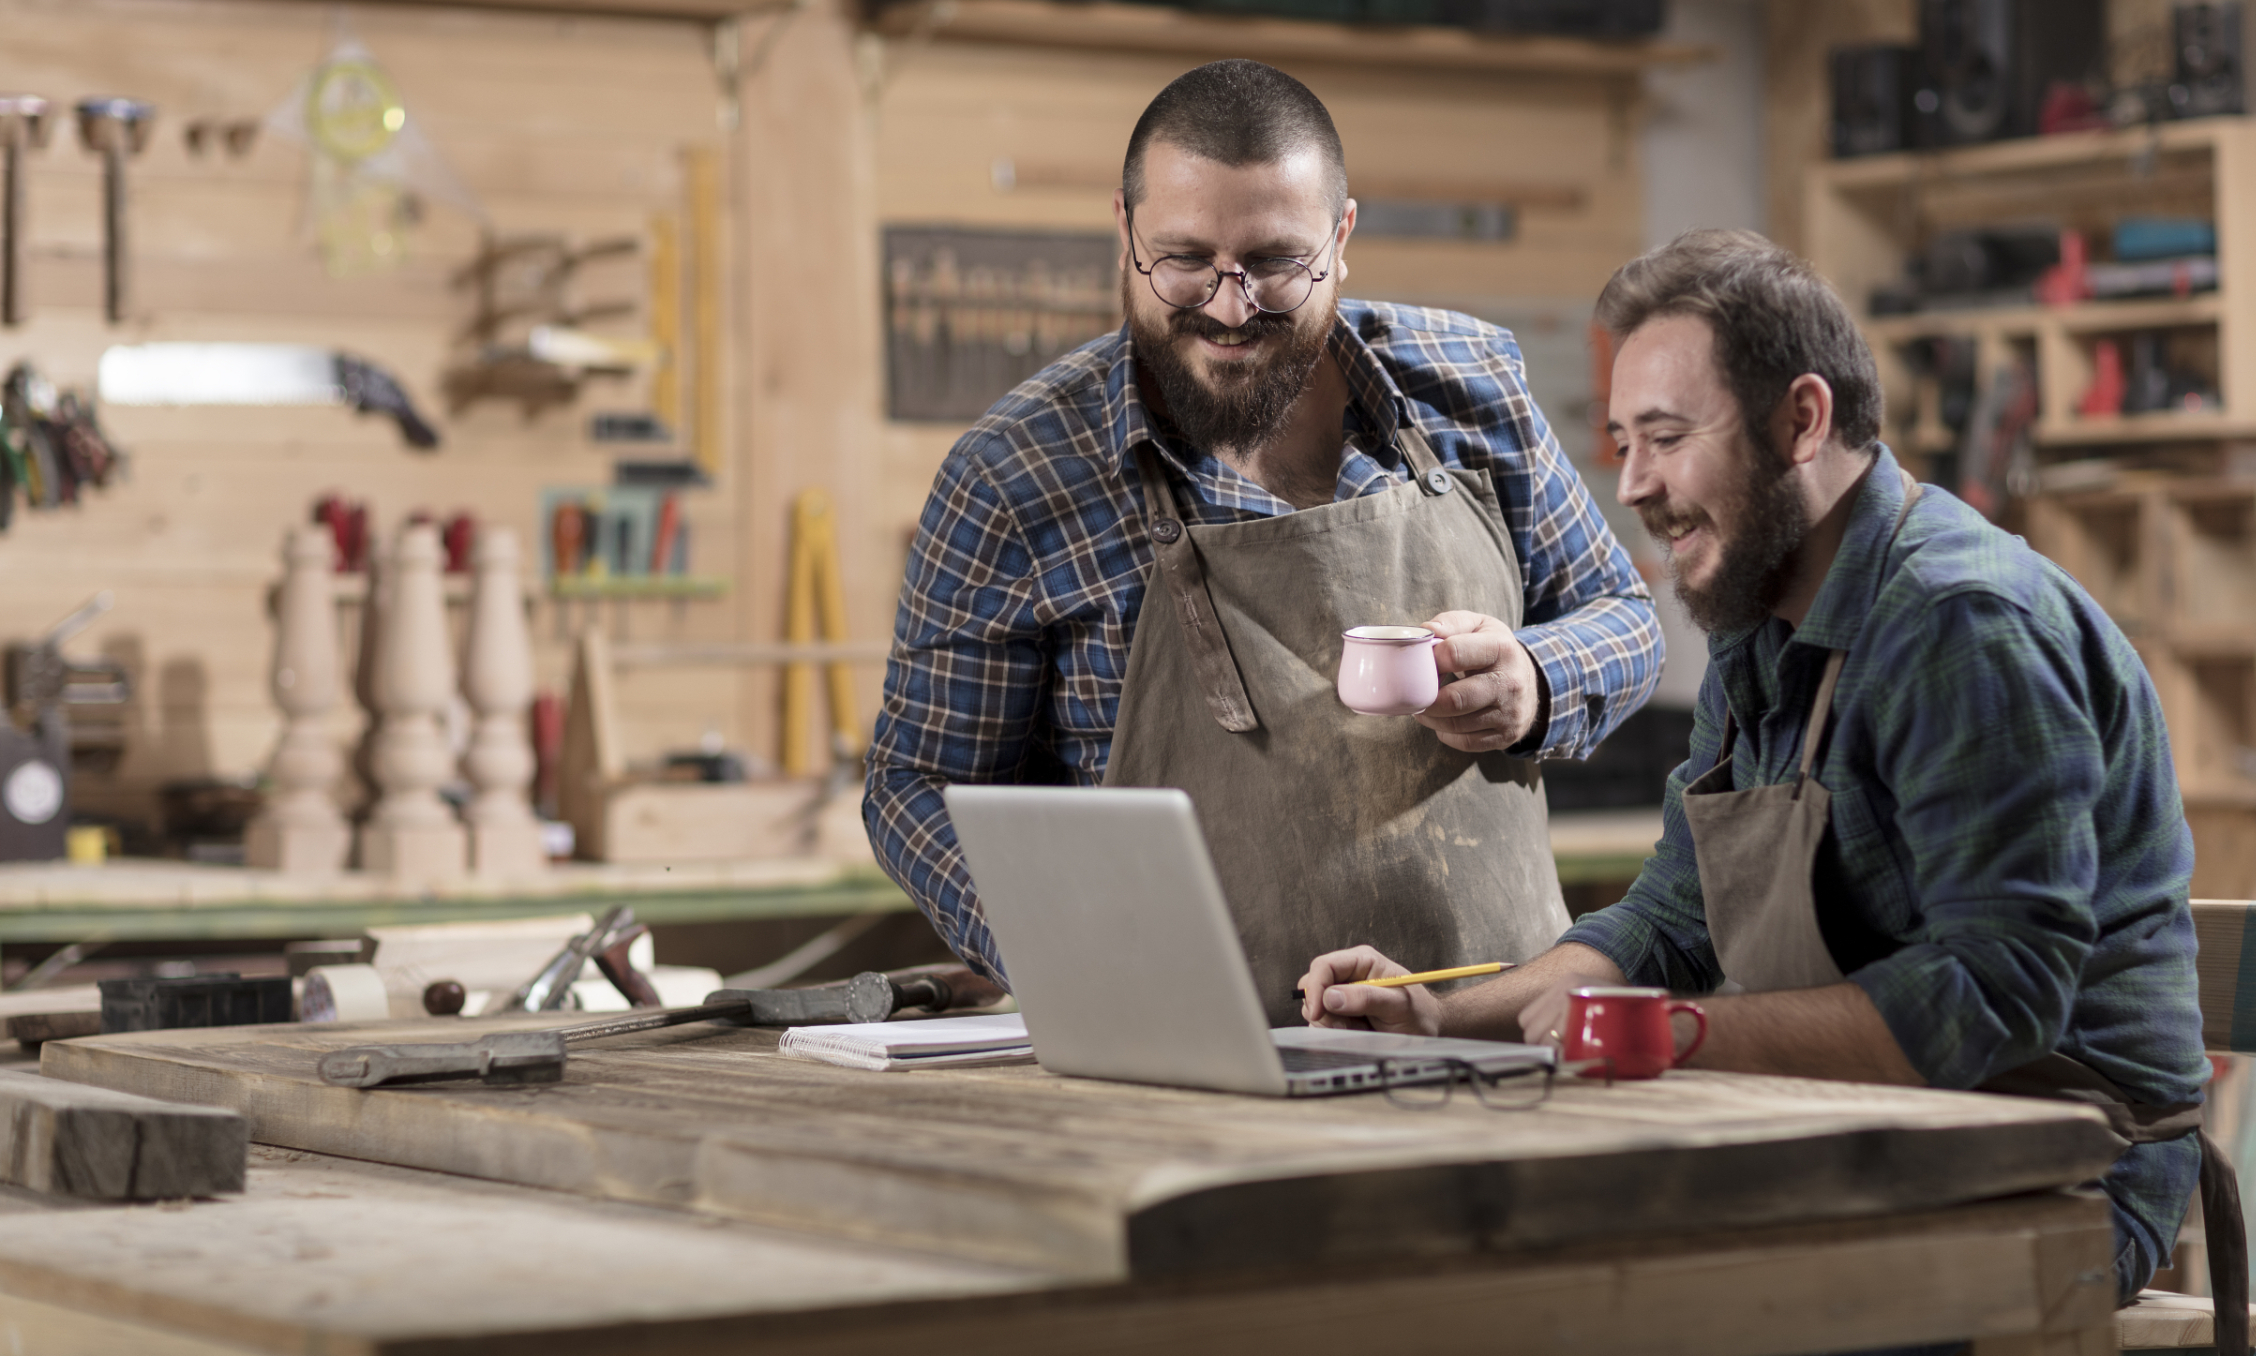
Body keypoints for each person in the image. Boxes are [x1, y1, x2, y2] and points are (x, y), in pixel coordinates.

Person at [1297, 229, 2231, 1317]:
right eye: (1622, 442)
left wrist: (1677, 1036)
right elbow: (1670, 925)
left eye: (1667, 437)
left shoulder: (1963, 626)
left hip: (2064, 1176)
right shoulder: (1763, 621)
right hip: (1876, 1139)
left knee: (1634, 1306)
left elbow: (1995, 994)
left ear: (1803, 420)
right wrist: (1436, 1021)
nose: (1633, 484)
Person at [865, 60, 1661, 1022]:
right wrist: (1062, 944)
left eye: (1276, 262)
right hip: (1184, 1053)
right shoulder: (1015, 476)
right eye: (1186, 260)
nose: (1232, 306)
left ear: (1341, 237)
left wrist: (1537, 679)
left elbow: (1626, 621)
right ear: (1124, 234)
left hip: (1491, 1031)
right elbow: (917, 785)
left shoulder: (1471, 386)